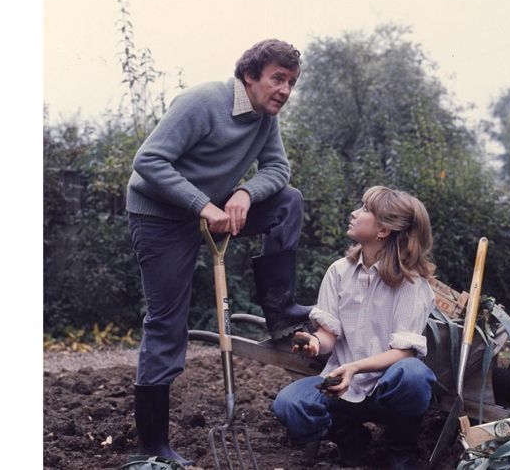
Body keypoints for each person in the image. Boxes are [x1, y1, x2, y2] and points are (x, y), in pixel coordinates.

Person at [125, 39, 312, 464]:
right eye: (277, 79)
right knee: (166, 324)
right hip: (159, 217)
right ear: (249, 76)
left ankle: (280, 314)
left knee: (288, 201)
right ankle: (153, 447)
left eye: (292, 83)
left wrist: (245, 191)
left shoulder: (265, 118)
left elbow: (279, 169)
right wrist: (202, 205)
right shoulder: (202, 103)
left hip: (214, 206)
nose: (284, 90)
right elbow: (149, 161)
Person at [272, 186, 438, 470]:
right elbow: (328, 336)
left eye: (364, 209)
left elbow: (404, 353)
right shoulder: (338, 272)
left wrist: (354, 368)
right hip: (340, 386)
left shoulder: (412, 284)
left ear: (383, 230)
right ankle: (352, 441)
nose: (354, 213)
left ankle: (401, 450)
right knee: (289, 404)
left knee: (414, 374)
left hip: (386, 392)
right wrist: (314, 342)